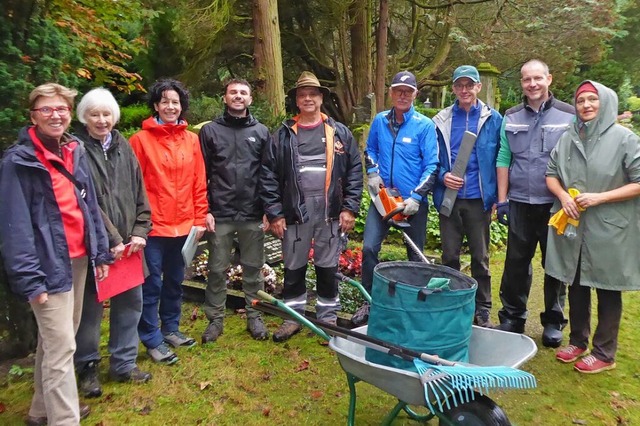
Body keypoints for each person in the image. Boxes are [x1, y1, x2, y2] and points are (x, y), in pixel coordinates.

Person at [0, 83, 111, 425]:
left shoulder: (73, 150)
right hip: (47, 266)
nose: (55, 115)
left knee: (56, 343)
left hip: (78, 260)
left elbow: (89, 205)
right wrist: (31, 280)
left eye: (61, 108)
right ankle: (65, 418)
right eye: (46, 109)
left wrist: (100, 252)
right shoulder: (17, 163)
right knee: (63, 347)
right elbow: (14, 228)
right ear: (32, 116)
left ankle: (40, 411)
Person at [261, 71, 363, 342]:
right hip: (295, 212)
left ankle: (327, 318)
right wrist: (275, 213)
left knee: (327, 265)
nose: (307, 98)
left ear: (320, 98)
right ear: (297, 100)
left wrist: (349, 208)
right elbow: (268, 176)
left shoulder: (339, 133)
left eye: (312, 94)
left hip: (330, 212)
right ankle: (294, 317)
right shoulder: (282, 136)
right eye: (302, 94)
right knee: (294, 265)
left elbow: (354, 170)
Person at [547, 81, 640, 373]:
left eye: (592, 99)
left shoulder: (625, 139)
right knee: (575, 281)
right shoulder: (568, 138)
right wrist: (563, 196)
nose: (585, 105)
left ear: (606, 103)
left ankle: (604, 352)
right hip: (575, 225)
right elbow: (551, 174)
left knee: (607, 287)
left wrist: (601, 197)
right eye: (580, 101)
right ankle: (578, 341)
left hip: (610, 227)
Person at [73, 88, 153, 398]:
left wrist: (140, 231)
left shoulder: (124, 146)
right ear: (84, 117)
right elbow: (86, 201)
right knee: (91, 309)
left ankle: (123, 363)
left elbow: (139, 192)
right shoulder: (76, 149)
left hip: (130, 247)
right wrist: (113, 241)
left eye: (107, 114)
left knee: (131, 304)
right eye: (94, 114)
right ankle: (87, 367)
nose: (101, 120)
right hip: (96, 245)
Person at [494, 60, 575, 348]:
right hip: (518, 201)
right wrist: (502, 200)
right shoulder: (512, 115)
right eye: (527, 80)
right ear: (522, 83)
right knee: (516, 263)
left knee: (554, 263)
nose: (532, 84)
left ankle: (553, 321)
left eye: (537, 78)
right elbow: (504, 158)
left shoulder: (568, 114)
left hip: (554, 205)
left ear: (549, 79)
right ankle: (513, 317)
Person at [130, 79, 208, 364]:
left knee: (175, 282)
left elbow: (199, 182)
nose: (170, 106)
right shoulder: (140, 141)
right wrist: (138, 225)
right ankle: (151, 338)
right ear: (156, 105)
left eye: (175, 102)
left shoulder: (192, 140)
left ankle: (171, 329)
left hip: (185, 226)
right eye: (165, 101)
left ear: (181, 106)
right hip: (153, 227)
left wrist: (199, 219)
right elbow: (133, 187)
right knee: (151, 285)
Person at [353, 71, 438, 326]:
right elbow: (371, 149)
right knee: (369, 248)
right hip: (383, 200)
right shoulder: (380, 121)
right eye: (398, 90)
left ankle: (414, 307)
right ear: (391, 93)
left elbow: (432, 165)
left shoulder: (424, 125)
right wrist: (372, 172)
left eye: (408, 91)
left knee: (415, 254)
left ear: (415, 95)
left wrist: (416, 197)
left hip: (410, 203)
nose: (403, 95)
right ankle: (369, 299)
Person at [199, 79, 271, 343]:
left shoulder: (262, 132)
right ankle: (215, 320)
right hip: (220, 214)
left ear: (250, 99)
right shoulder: (210, 132)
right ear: (224, 98)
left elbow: (268, 174)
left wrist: (268, 209)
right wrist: (204, 209)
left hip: (252, 213)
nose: (238, 96)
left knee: (253, 268)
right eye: (233, 92)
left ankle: (255, 315)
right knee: (217, 269)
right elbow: (201, 173)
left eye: (243, 93)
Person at [432, 65, 502, 328]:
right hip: (449, 199)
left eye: (469, 85)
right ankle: (450, 303)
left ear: (478, 87)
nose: (464, 90)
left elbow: (500, 159)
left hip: (478, 200)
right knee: (449, 256)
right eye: (459, 85)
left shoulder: (493, 119)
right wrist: (442, 176)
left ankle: (482, 307)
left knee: (480, 257)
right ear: (453, 88)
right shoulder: (441, 120)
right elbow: (431, 158)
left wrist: (497, 196)